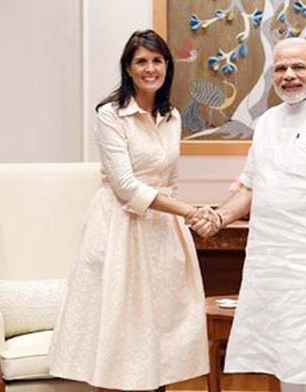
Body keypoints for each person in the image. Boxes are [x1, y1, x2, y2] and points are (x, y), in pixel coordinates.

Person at [192, 37, 306, 392]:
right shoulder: (267, 123)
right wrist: (217, 218)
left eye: (298, 67)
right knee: (284, 362)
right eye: (281, 68)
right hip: (270, 265)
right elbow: (250, 187)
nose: (289, 75)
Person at [49, 30, 216, 391]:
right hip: (118, 227)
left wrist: (183, 219)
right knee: (121, 329)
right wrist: (188, 212)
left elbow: (170, 180)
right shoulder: (110, 115)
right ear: (128, 68)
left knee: (162, 329)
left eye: (157, 60)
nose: (150, 68)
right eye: (141, 61)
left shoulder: (172, 116)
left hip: (162, 230)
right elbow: (126, 187)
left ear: (167, 67)